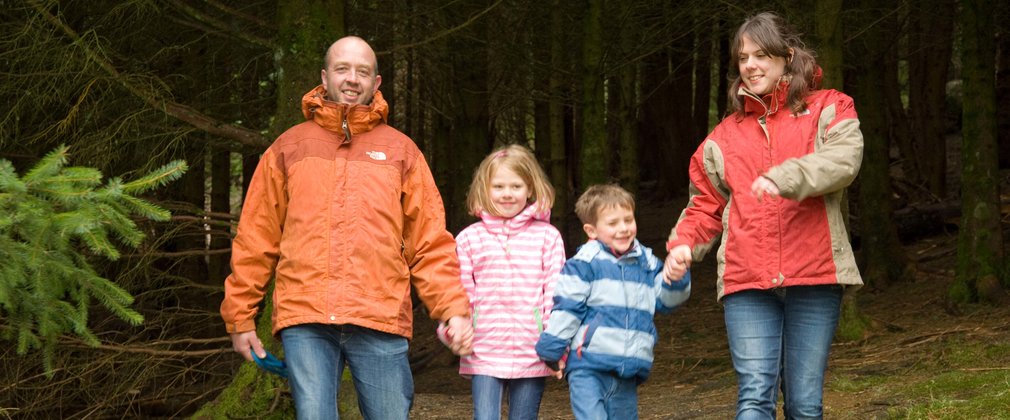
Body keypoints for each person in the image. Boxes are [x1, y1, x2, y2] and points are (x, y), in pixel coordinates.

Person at [220, 35, 474, 420]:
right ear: (324, 77)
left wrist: (452, 309)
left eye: (363, 71)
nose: (352, 78)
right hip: (306, 315)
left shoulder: (402, 151)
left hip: (380, 314)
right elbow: (256, 237)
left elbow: (429, 242)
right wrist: (240, 317)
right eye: (343, 68)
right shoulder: (288, 147)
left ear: (377, 82)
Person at [663, 12, 863, 419]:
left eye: (761, 55)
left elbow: (843, 161)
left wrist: (784, 176)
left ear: (786, 57)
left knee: (805, 404)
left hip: (815, 273)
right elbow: (704, 203)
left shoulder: (831, 108)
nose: (750, 65)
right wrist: (683, 244)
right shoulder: (723, 137)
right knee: (754, 397)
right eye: (742, 58)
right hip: (747, 280)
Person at [536, 184, 691, 420]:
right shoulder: (584, 264)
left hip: (628, 367)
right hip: (587, 365)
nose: (623, 229)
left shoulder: (646, 262)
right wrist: (552, 349)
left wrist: (675, 279)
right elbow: (567, 309)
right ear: (592, 230)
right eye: (613, 223)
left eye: (628, 220)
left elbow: (666, 302)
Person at [436, 144, 566, 420]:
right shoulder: (469, 238)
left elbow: (555, 293)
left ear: (530, 189)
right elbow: (457, 291)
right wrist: (454, 330)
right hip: (483, 349)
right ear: (485, 189)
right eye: (498, 186)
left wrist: (555, 340)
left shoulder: (548, 237)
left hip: (533, 350)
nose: (507, 193)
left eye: (516, 186)